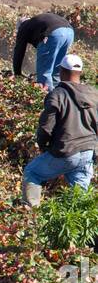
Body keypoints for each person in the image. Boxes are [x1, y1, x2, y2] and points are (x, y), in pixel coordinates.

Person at [21, 53, 98, 206]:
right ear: (80, 73)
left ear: (62, 72)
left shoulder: (57, 95)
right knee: (78, 199)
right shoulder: (94, 94)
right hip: (88, 152)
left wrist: (44, 147)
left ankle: (31, 214)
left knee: (32, 172)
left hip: (66, 151)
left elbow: (45, 127)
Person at [12, 12, 74, 91]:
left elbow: (19, 51)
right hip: (69, 32)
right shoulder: (36, 23)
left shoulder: (23, 27)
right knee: (56, 70)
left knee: (45, 73)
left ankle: (48, 99)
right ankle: (59, 95)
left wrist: (17, 74)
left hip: (54, 33)